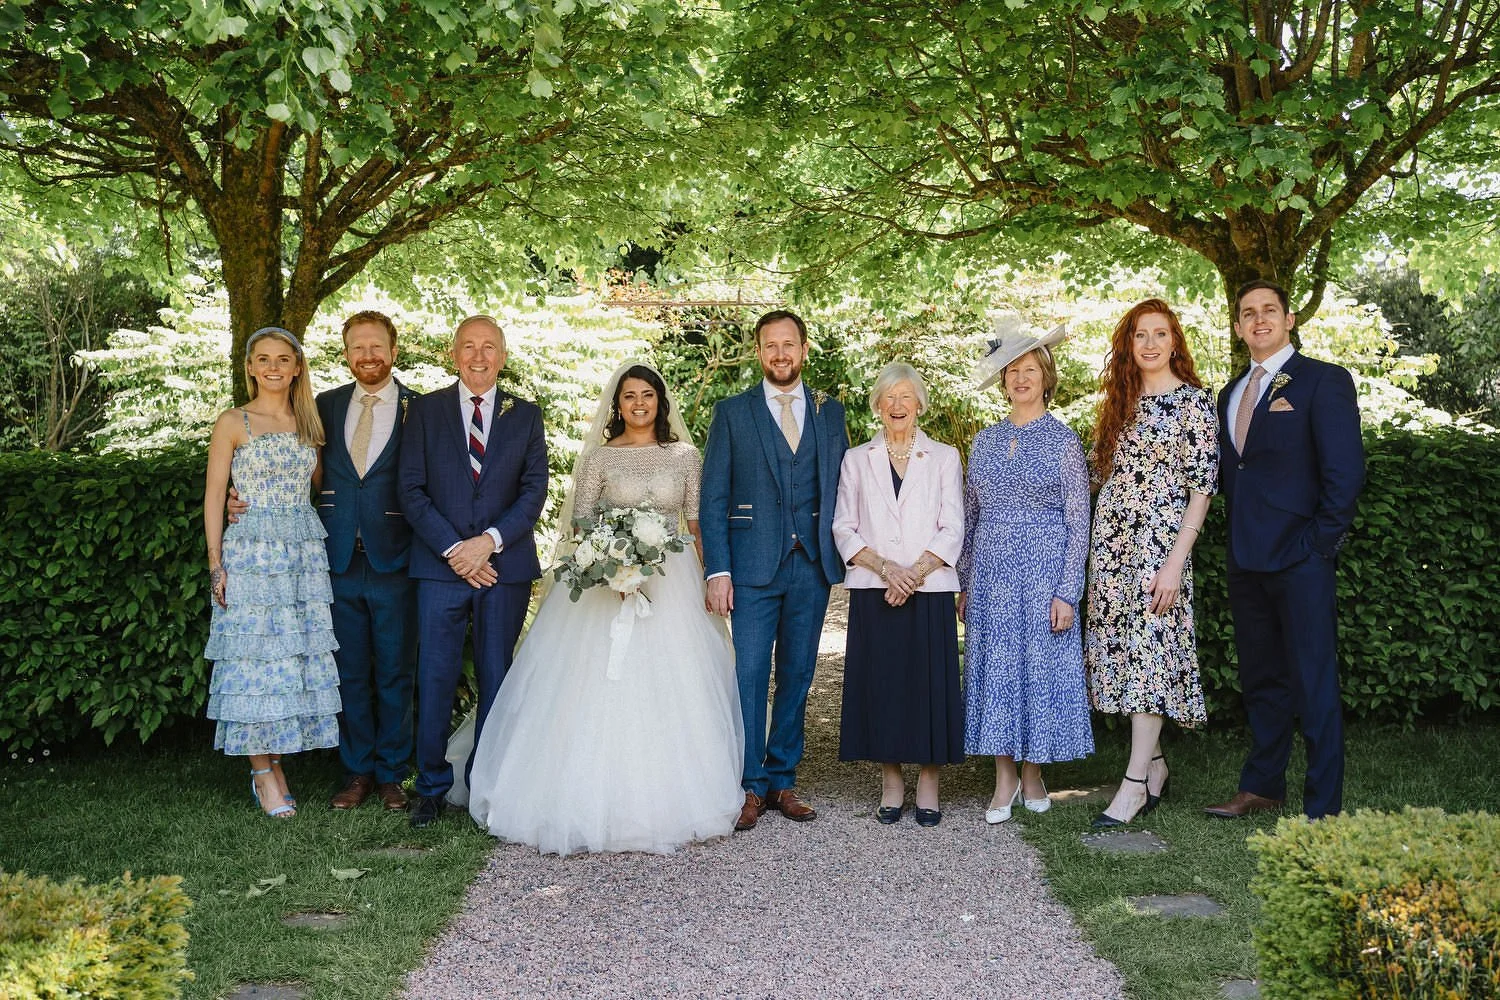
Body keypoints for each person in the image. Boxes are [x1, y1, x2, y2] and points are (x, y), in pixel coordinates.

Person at [465, 362, 744, 854]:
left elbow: (697, 525)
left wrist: (709, 578)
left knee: (674, 684)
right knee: (588, 685)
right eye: (629, 396)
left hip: (671, 583)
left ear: (661, 402)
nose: (638, 404)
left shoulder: (684, 456)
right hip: (603, 587)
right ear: (617, 405)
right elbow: (581, 524)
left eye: (647, 396)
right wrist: (611, 568)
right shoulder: (599, 457)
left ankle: (671, 794)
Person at [1206, 280, 1364, 821]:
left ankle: (1323, 806)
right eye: (1247, 313)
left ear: (1289, 318)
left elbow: (1344, 474)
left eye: (1268, 310)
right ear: (1237, 326)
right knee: (1262, 680)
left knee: (1313, 681)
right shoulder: (1229, 393)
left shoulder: (1323, 381)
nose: (1259, 320)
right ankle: (1263, 784)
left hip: (1301, 560)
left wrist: (1319, 545)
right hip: (1246, 560)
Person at [701, 309, 849, 831]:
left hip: (810, 563)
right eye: (771, 345)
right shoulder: (733, 412)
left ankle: (783, 778)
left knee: (798, 674)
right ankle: (749, 784)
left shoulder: (832, 413)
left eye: (789, 345)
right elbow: (713, 495)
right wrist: (716, 569)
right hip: (750, 566)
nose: (780, 354)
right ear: (758, 352)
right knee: (748, 674)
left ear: (804, 350)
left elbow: (843, 487)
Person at [399, 315, 548, 829]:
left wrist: (487, 544)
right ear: (453, 353)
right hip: (440, 570)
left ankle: (487, 784)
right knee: (436, 676)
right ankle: (432, 788)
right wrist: (453, 551)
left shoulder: (526, 415)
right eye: (469, 346)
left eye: (489, 347)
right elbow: (411, 489)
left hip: (503, 569)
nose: (479, 356)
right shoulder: (423, 410)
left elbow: (533, 492)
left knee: (496, 675)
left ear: (502, 356)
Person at [1084, 299, 1218, 828]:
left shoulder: (1193, 403)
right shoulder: (1121, 401)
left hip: (1161, 549)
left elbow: (1202, 490)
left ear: (1174, 342)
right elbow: (1097, 474)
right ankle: (1156, 766)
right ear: (1129, 344)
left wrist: (1174, 564)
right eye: (1141, 335)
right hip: (1112, 548)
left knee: (1149, 660)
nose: (1150, 344)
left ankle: (1134, 785)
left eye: (1161, 334)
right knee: (1123, 660)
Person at [957, 318, 1093, 825]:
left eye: (1030, 369)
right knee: (995, 671)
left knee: (1039, 671)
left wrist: (1067, 591)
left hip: (1043, 571)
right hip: (992, 571)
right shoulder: (985, 442)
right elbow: (970, 517)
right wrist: (966, 581)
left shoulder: (1063, 441)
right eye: (1012, 369)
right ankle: (1004, 778)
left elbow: (1079, 521)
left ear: (1046, 377)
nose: (1020, 378)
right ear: (1003, 380)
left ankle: (1034, 773)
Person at [203, 326, 340, 818]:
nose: (274, 367)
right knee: (251, 661)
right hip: (252, 553)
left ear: (297, 366)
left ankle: (276, 761)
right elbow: (216, 496)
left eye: (284, 359)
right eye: (264, 359)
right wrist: (216, 564)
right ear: (251, 367)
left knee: (286, 660)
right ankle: (263, 772)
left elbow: (319, 485)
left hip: (301, 552)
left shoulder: (310, 423)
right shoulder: (233, 421)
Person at [833, 362, 964, 826]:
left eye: (905, 396)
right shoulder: (856, 459)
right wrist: (888, 570)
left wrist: (914, 573)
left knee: (928, 685)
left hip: (928, 590)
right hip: (874, 587)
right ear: (877, 405)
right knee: (882, 685)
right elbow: (843, 527)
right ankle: (891, 778)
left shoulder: (945, 457)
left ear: (919, 404)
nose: (897, 405)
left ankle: (928, 779)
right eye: (888, 397)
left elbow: (953, 526)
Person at [316, 311, 420, 812]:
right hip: (337, 559)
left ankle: (392, 774)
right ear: (346, 353)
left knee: (396, 671)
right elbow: (299, 470)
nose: (368, 356)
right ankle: (356, 771)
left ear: (393, 351)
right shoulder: (325, 406)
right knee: (349, 670)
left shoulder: (419, 409)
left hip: (395, 558)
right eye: (358, 347)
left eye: (377, 347)